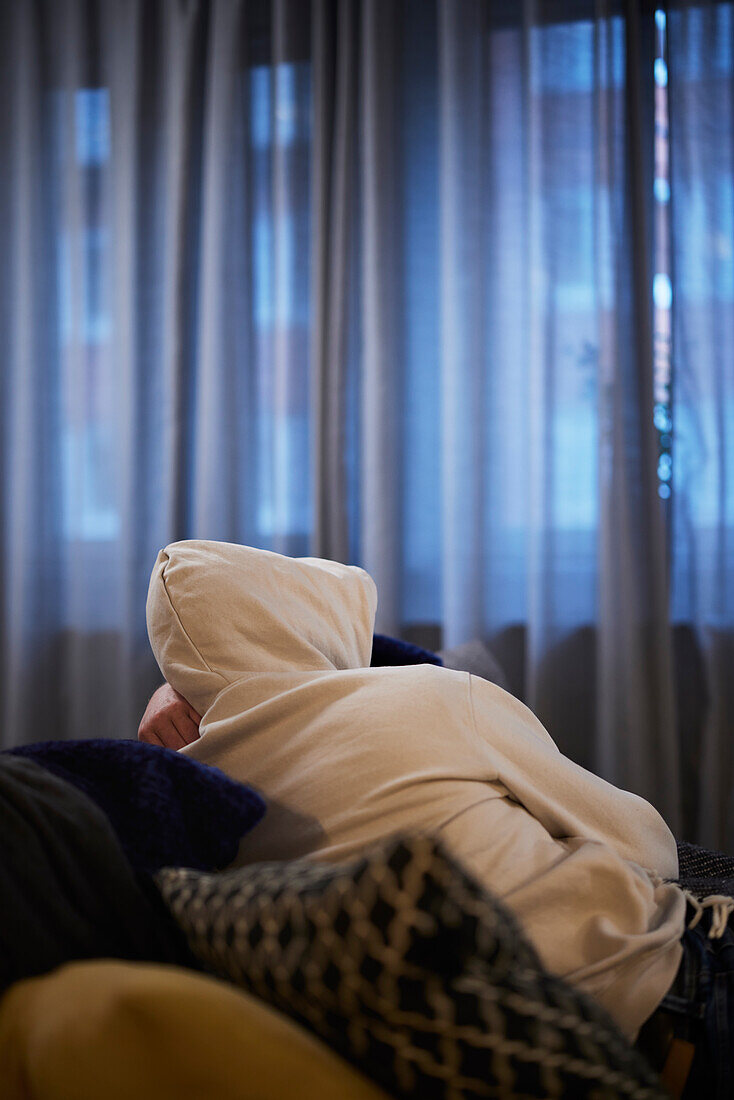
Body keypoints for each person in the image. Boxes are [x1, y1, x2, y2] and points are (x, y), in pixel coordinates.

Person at [139, 539, 734, 1098]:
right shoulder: (429, 698)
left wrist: (187, 689)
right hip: (669, 991)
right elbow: (648, 846)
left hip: (529, 1046)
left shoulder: (201, 803)